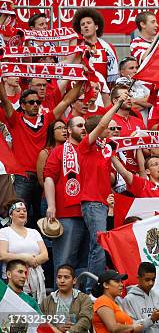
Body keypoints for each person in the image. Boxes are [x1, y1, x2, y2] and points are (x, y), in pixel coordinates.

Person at [0, 82, 81, 227]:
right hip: (22, 177)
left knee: (45, 222)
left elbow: (67, 101)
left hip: (44, 179)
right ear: (23, 105)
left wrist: (81, 81)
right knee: (17, 218)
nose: (36, 104)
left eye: (38, 102)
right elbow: (5, 100)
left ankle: (43, 249)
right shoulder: (15, 120)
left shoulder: (47, 119)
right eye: (31, 102)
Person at [78, 96, 123, 287]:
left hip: (102, 204)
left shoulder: (101, 150)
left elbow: (109, 179)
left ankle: (93, 286)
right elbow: (103, 121)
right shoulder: (85, 146)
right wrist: (117, 105)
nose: (111, 130)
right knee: (98, 245)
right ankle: (91, 288)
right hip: (92, 203)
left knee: (99, 246)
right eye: (108, 128)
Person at [44, 116, 89, 279]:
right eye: (79, 125)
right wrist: (51, 205)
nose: (84, 128)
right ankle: (60, 304)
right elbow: (48, 177)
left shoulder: (92, 150)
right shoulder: (60, 150)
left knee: (86, 265)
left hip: (90, 214)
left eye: (85, 126)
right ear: (69, 130)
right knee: (64, 263)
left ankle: (82, 303)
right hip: (67, 214)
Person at [0, 199, 49, 303]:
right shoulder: (4, 232)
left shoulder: (34, 232)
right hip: (13, 278)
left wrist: (33, 261)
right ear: (11, 214)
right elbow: (2, 255)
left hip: (35, 278)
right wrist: (24, 258)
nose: (22, 212)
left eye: (24, 210)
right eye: (18, 210)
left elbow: (45, 255)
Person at [122, 262, 159, 333]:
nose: (151, 283)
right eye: (147, 279)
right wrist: (151, 319)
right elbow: (130, 328)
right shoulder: (129, 299)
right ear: (138, 278)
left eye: (153, 279)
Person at [41, 264, 94, 332]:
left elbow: (85, 320)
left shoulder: (84, 299)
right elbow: (42, 322)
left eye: (66, 277)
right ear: (56, 280)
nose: (62, 280)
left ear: (74, 280)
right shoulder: (47, 301)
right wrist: (56, 328)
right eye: (59, 277)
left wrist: (70, 331)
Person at [72, 8, 119, 83]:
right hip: (84, 88)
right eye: (83, 24)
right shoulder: (76, 48)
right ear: (80, 30)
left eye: (89, 23)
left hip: (105, 89)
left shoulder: (109, 47)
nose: (86, 26)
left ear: (96, 27)